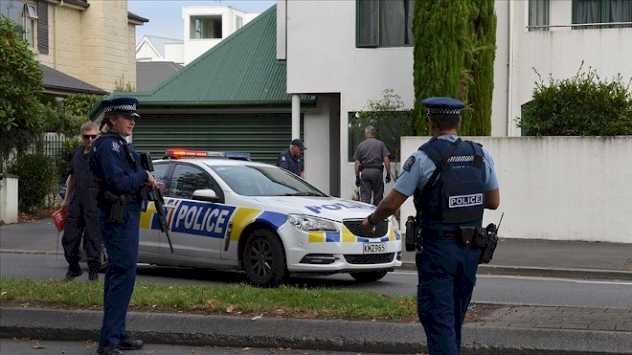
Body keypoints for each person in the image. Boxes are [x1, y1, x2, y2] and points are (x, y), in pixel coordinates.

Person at [361, 97, 500, 355]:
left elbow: (392, 203)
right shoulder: (481, 154)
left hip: (438, 251)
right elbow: (493, 201)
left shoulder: (423, 158)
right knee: (455, 319)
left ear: (431, 123)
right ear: (458, 122)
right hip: (471, 252)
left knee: (438, 321)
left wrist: (370, 221)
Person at [89, 97, 162, 355]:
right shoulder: (109, 146)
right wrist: (143, 176)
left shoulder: (118, 145)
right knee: (121, 274)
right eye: (126, 117)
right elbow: (118, 182)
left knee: (122, 275)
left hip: (125, 214)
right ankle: (108, 339)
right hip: (116, 216)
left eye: (133, 118)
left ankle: (117, 333)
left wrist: (147, 182)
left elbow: (125, 180)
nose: (132, 122)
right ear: (112, 119)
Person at [60, 122, 104, 282]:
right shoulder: (77, 153)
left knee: (93, 241)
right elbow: (71, 177)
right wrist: (66, 200)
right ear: (82, 137)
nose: (90, 140)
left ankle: (93, 275)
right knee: (69, 240)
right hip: (76, 202)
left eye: (94, 136)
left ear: (98, 136)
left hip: (95, 202)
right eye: (87, 137)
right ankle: (74, 269)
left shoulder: (102, 155)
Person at [353, 125, 392, 206]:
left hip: (365, 172)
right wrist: (388, 173)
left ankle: (365, 216)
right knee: (378, 197)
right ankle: (376, 216)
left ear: (367, 134)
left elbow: (357, 163)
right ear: (373, 134)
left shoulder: (361, 145)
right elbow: (386, 160)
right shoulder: (380, 144)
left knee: (365, 198)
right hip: (377, 172)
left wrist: (357, 177)